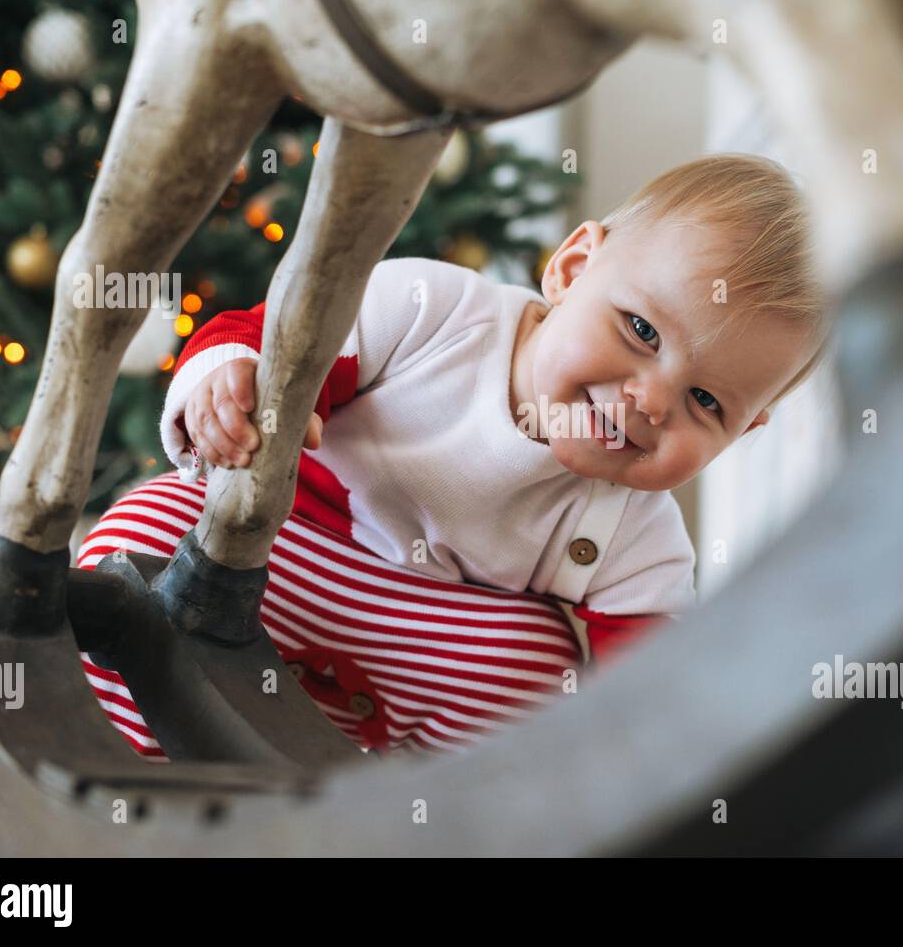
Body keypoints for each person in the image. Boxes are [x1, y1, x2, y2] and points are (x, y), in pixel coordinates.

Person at [78, 152, 827, 759]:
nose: (652, 400)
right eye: (642, 330)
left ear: (747, 429)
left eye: (706, 403)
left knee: (540, 675)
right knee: (146, 531)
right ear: (571, 270)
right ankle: (137, 749)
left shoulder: (639, 536)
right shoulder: (435, 311)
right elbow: (274, 335)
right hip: (275, 551)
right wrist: (234, 382)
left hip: (425, 646)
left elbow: (655, 688)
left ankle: (412, 816)